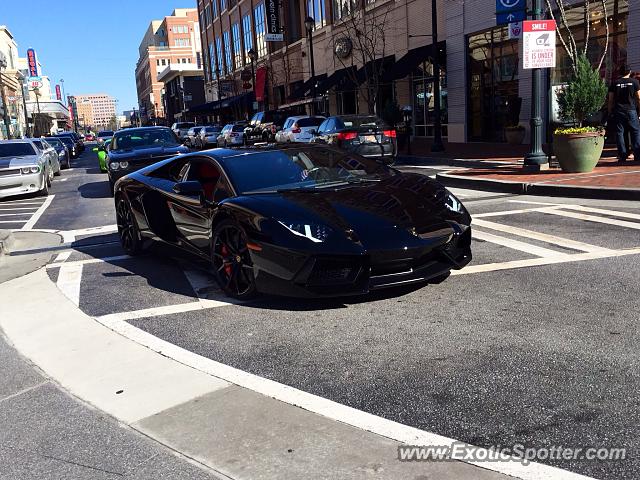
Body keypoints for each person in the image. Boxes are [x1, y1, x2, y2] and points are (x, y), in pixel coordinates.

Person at [608, 64, 640, 163]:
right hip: (631, 110)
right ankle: (637, 155)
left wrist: (609, 112)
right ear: (629, 72)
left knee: (620, 133)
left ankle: (622, 156)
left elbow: (610, 100)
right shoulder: (635, 82)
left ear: (620, 72)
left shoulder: (615, 83)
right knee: (635, 132)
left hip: (618, 111)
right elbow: (639, 98)